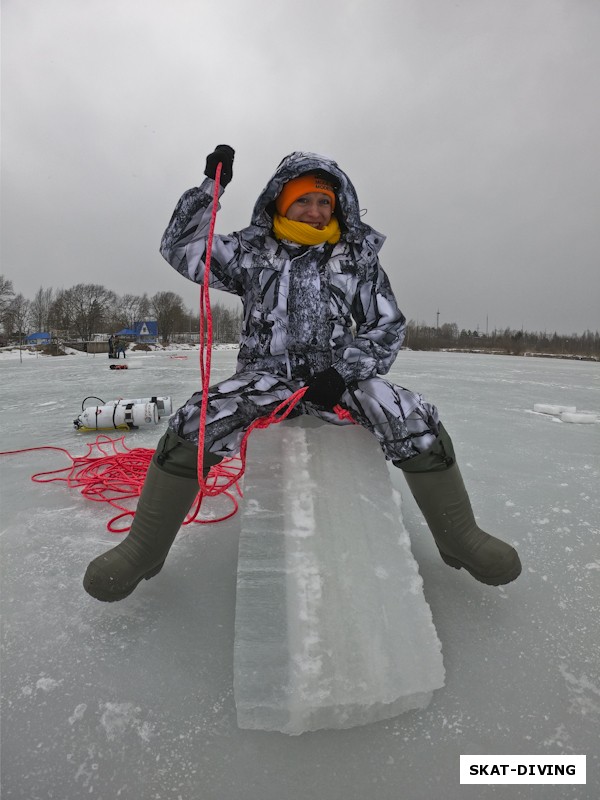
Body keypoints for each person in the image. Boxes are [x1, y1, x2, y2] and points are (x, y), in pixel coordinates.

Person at [83, 145, 521, 602]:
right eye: (303, 200)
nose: (315, 211)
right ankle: (144, 548)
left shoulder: (355, 256)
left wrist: (344, 371)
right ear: (280, 200)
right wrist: (210, 188)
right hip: (265, 377)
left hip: (339, 377)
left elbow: (386, 324)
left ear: (338, 205)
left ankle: (459, 537)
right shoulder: (252, 251)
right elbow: (182, 247)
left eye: (324, 202)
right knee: (197, 418)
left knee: (411, 413)